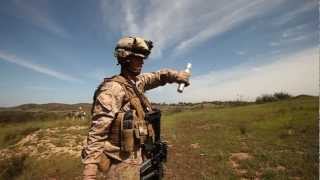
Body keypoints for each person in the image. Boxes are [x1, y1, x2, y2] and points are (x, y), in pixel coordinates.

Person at [82, 36, 191, 180]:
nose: (142, 62)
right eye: (137, 58)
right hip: (122, 163)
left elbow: (158, 76)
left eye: (143, 58)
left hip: (141, 154)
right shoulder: (112, 89)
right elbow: (97, 135)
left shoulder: (137, 82)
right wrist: (89, 174)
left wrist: (177, 75)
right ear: (125, 58)